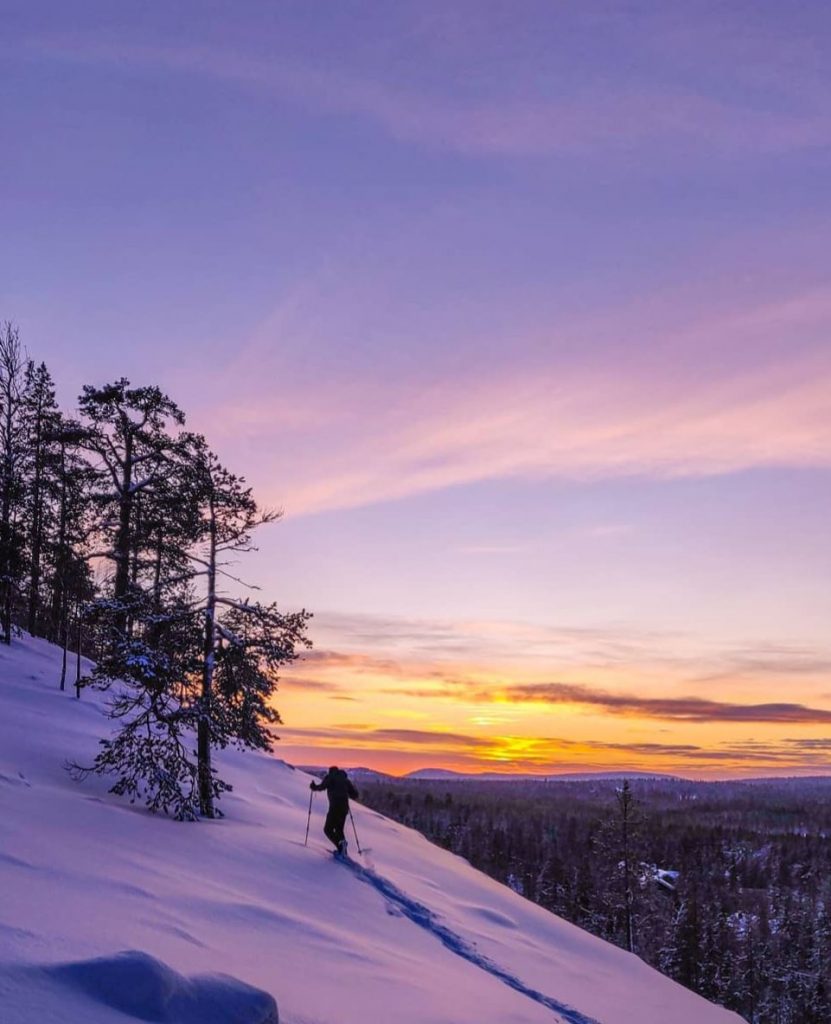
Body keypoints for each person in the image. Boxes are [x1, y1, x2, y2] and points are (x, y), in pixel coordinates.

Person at [310, 766, 359, 856]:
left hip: (334, 807)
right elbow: (355, 795)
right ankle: (343, 850)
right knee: (339, 829)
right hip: (344, 808)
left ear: (330, 771)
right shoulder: (345, 780)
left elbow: (322, 787)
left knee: (327, 829)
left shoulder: (330, 777)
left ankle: (340, 847)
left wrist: (313, 787)